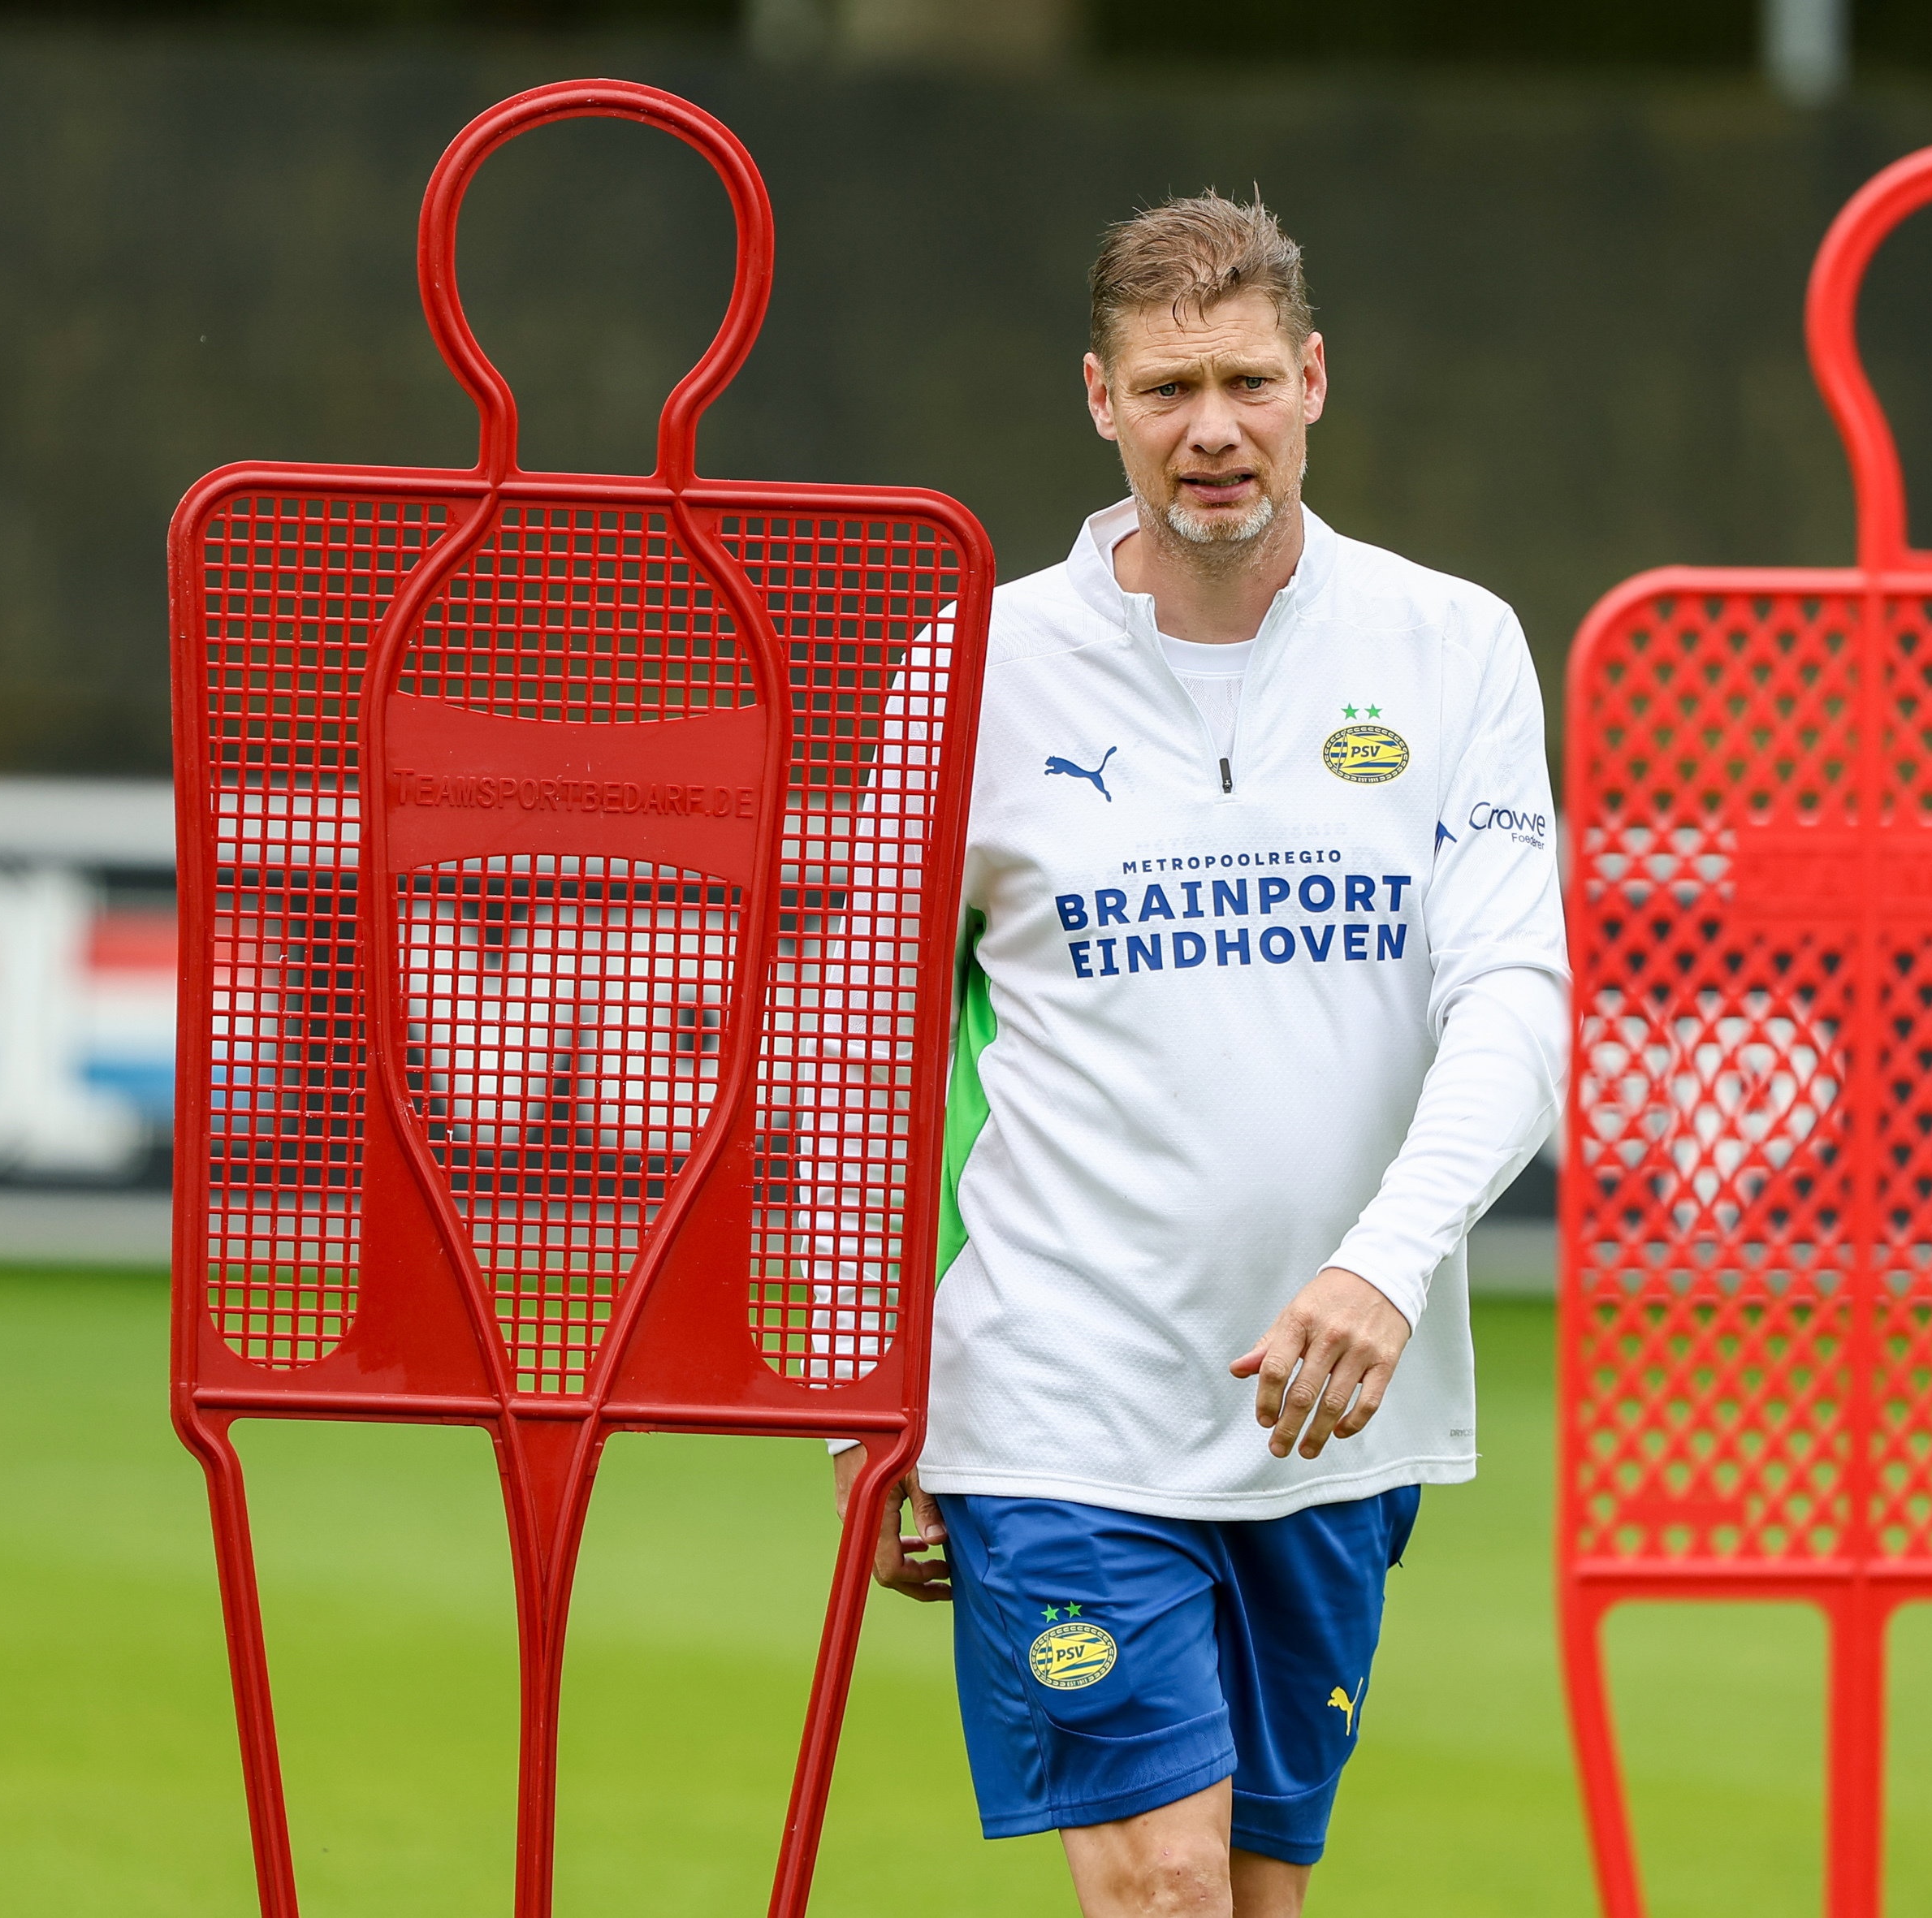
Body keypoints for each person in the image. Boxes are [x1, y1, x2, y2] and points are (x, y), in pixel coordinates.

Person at [834, 192, 1567, 1918]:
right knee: (1158, 1885)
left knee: (1249, 1889)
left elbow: (1518, 995)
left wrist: (1381, 1268)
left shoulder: (1448, 644)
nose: (1212, 426)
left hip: (1331, 1412)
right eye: (1168, 388)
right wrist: (858, 1409)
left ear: (1313, 381)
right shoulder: (973, 664)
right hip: (1053, 1392)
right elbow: (857, 1051)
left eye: (1247, 378)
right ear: (1099, 400)